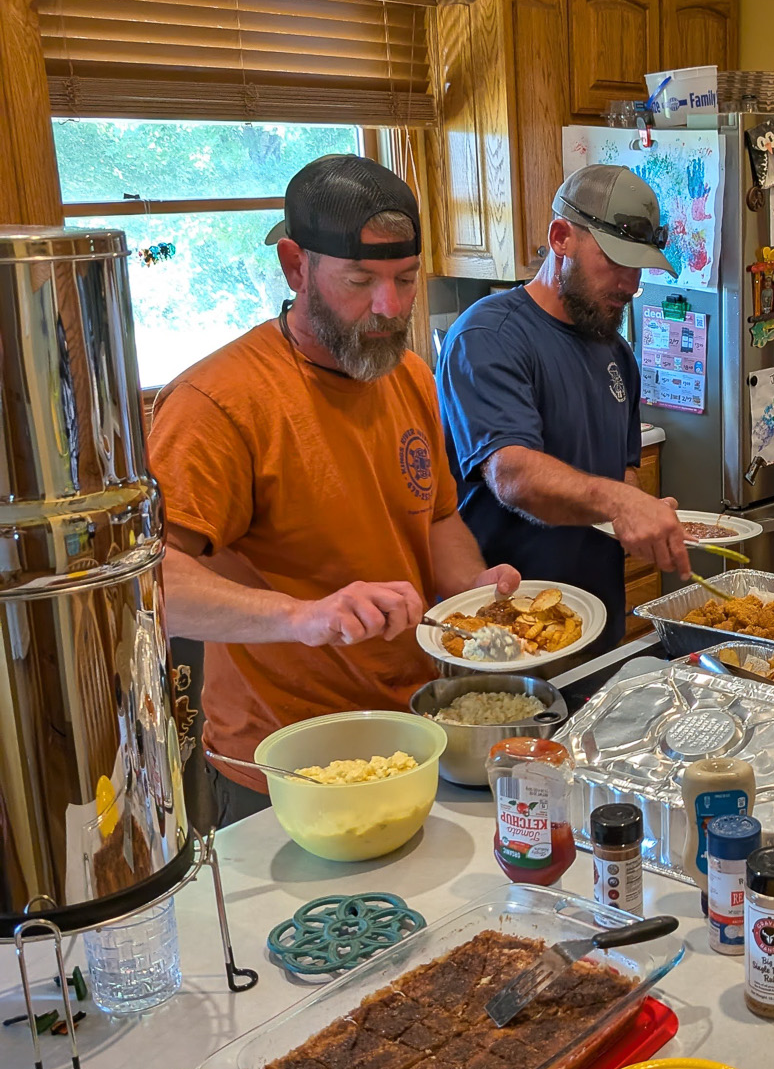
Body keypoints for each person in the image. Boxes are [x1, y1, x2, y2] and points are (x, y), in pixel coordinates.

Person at [149, 154, 519, 825]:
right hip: (283, 767)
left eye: (405, 279)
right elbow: (151, 584)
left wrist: (474, 594)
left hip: (414, 736)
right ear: (296, 266)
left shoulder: (408, 374)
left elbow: (436, 519)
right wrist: (303, 616)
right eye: (360, 281)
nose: (389, 308)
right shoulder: (217, 402)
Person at [436, 165, 690, 651]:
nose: (629, 283)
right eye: (615, 261)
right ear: (561, 238)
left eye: (639, 267)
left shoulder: (616, 351)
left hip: (597, 622)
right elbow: (512, 473)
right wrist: (620, 503)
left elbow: (622, 469)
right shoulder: (489, 337)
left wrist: (639, 513)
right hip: (505, 632)